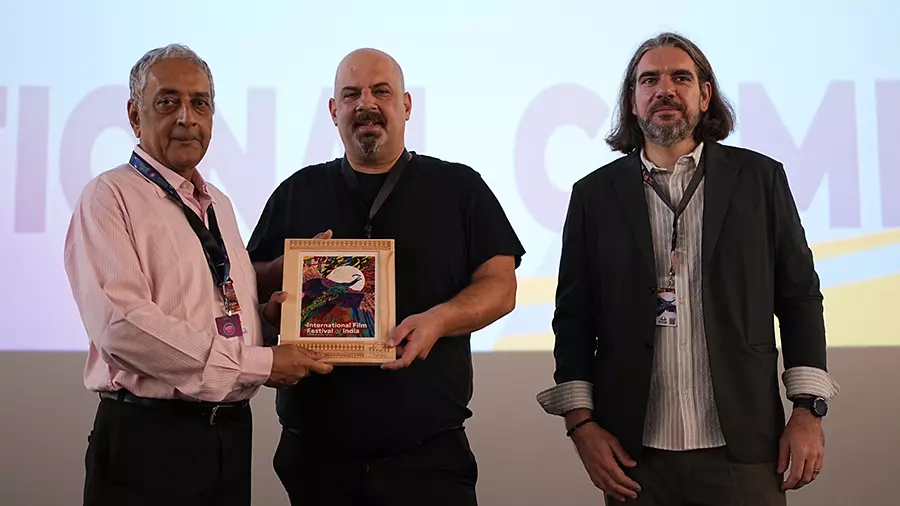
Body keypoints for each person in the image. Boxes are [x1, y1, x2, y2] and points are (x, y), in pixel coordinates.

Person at [536, 32, 840, 505]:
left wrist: (808, 410)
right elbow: (574, 318)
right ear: (632, 102)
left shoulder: (760, 179)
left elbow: (799, 297)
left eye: (680, 78)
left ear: (704, 95)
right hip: (633, 457)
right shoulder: (593, 195)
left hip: (745, 448)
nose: (665, 90)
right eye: (649, 80)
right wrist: (581, 426)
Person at [248, 47, 525, 506]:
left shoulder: (460, 187)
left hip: (429, 457)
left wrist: (439, 320)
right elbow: (247, 282)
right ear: (333, 110)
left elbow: (502, 286)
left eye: (381, 91)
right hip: (315, 457)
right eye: (351, 94)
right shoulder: (297, 191)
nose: (366, 104)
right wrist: (287, 276)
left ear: (406, 105)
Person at [63, 43, 333, 506]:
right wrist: (261, 362)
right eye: (168, 102)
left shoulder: (218, 205)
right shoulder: (108, 197)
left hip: (229, 437)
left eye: (200, 103)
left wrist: (268, 323)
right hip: (149, 440)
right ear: (134, 115)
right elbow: (122, 329)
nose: (187, 117)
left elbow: (213, 309)